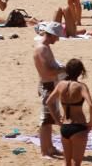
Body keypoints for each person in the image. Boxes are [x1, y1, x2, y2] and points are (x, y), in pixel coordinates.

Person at [33, 22, 67, 159]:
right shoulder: (42, 49)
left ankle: (50, 147)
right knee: (46, 121)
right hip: (48, 86)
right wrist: (63, 69)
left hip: (49, 84)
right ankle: (44, 151)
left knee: (51, 118)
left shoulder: (45, 47)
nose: (57, 39)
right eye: (56, 36)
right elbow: (46, 71)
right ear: (51, 35)